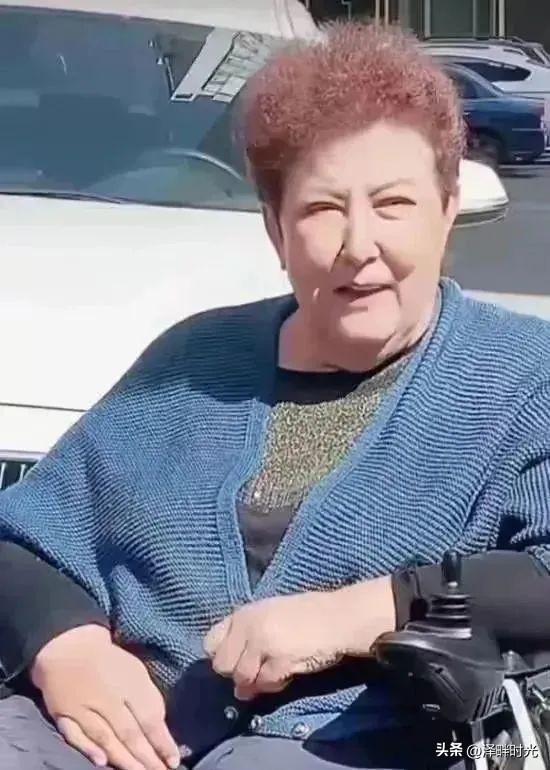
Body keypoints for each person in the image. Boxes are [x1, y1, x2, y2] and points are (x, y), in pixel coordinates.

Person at [0, 20, 550, 770]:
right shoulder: (195, 362)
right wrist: (63, 644)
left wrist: (365, 612)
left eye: (393, 204)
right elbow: (22, 539)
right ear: (276, 230)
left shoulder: (522, 376)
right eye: (322, 209)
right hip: (107, 741)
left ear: (448, 210)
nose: (360, 245)